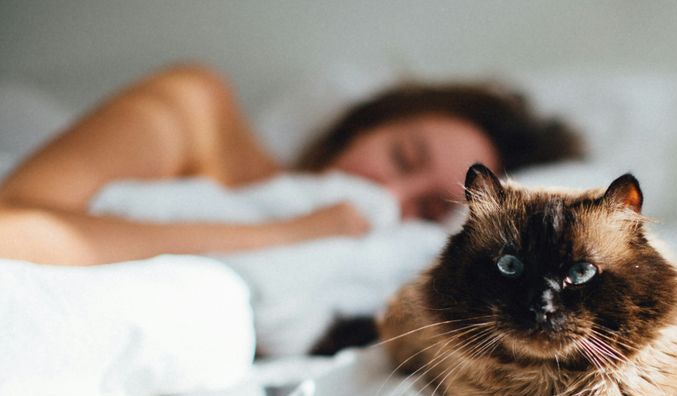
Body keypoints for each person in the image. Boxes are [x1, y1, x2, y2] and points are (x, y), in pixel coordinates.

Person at [0, 64, 583, 266]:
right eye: (402, 156)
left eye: (429, 208)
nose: (390, 193)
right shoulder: (195, 109)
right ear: (366, 123)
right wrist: (289, 233)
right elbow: (11, 228)